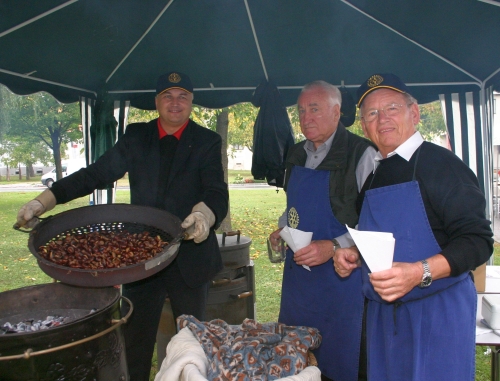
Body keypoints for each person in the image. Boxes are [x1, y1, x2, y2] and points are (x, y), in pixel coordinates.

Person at [16, 72, 229, 381]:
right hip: (141, 260)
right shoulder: (136, 136)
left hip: (190, 258)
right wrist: (44, 201)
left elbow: (216, 192)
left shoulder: (208, 141)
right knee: (133, 343)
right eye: (168, 96)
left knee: (192, 343)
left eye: (182, 96)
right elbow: (94, 175)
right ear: (156, 102)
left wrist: (203, 217)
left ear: (192, 102)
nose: (175, 103)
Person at [333, 73, 493, 381]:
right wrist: (353, 253)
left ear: (414, 112)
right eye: (372, 114)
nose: (383, 119)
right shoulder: (374, 176)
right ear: (364, 126)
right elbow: (380, 236)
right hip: (384, 320)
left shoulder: (443, 166)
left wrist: (420, 271)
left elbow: (477, 241)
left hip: (437, 316)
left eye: (392, 108)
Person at [268, 80, 377, 381]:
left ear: (337, 112)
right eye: (301, 111)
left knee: (339, 364)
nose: (306, 118)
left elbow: (376, 223)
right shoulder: (294, 154)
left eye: (314, 109)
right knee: (296, 360)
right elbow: (294, 208)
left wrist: (334, 246)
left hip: (342, 282)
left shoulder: (363, 154)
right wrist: (282, 229)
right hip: (299, 287)